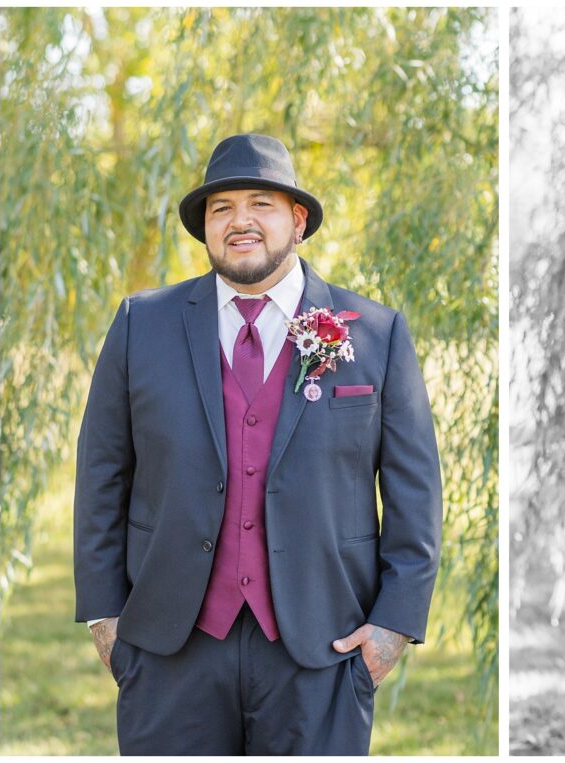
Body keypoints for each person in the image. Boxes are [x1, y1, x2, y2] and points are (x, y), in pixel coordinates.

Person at [74, 133, 442, 755]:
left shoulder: (377, 334)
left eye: (260, 204)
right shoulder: (142, 324)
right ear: (205, 228)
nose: (239, 221)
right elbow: (101, 474)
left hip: (324, 643)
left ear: (297, 221)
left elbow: (415, 492)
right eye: (221, 208)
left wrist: (393, 626)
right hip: (168, 647)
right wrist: (105, 617)